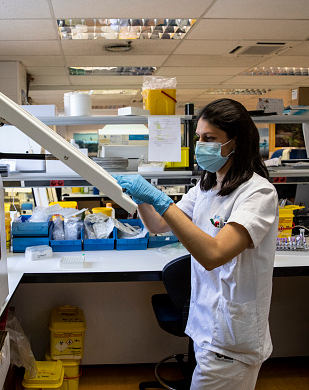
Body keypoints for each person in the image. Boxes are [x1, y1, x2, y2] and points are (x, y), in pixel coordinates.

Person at [115, 98, 278, 389]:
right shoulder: (206, 187)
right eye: (199, 138)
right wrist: (139, 198)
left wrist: (162, 200)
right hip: (206, 328)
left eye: (210, 138)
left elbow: (214, 254)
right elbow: (157, 226)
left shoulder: (258, 193)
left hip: (231, 341)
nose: (201, 144)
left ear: (236, 143)